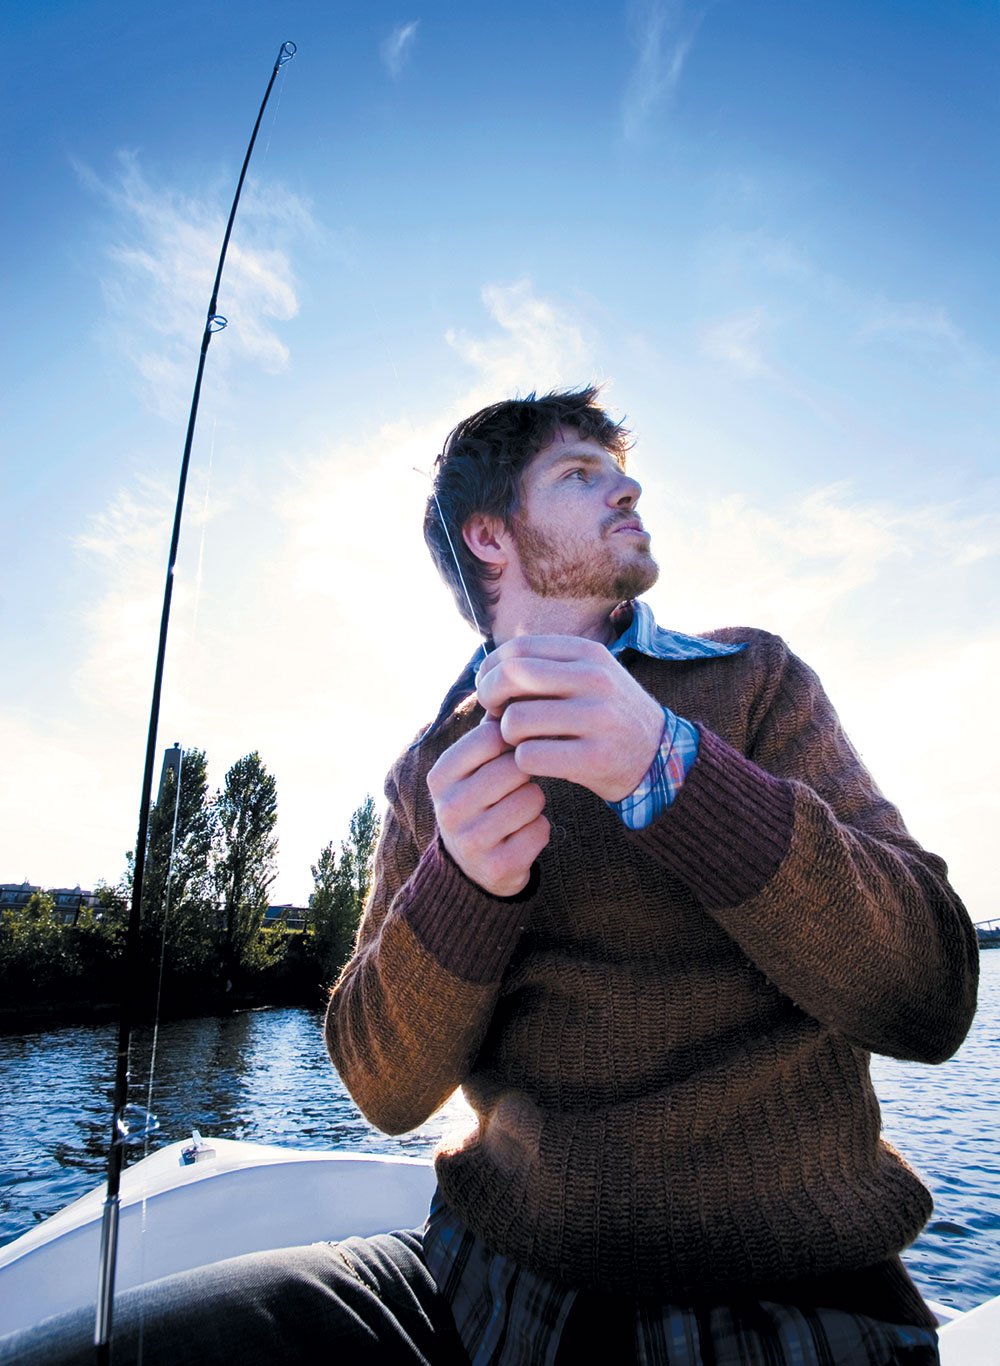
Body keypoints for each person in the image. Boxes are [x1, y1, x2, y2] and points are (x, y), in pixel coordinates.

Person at [2, 388, 978, 1366]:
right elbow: (386, 1090)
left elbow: (930, 999)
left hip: (793, 1301)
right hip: (473, 1281)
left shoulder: (753, 679)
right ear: (489, 536)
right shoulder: (430, 770)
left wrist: (672, 769)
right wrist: (461, 887)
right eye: (580, 473)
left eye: (621, 470)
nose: (628, 488)